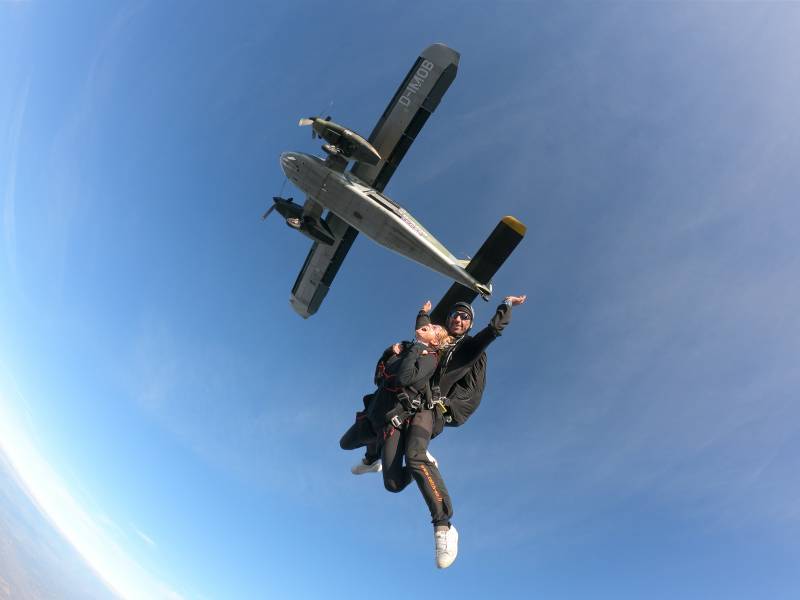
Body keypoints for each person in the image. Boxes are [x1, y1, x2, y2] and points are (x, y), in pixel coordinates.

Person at [342, 294, 527, 568]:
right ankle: (374, 458)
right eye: (455, 315)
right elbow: (422, 332)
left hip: (430, 409)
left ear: (469, 324)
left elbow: (493, 331)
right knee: (390, 480)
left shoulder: (467, 349)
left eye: (465, 317)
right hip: (405, 406)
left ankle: (443, 526)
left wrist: (507, 305)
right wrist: (420, 318)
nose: (459, 319)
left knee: (415, 456)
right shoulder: (434, 345)